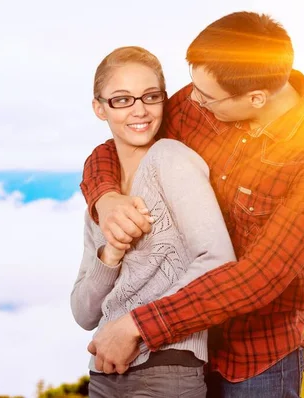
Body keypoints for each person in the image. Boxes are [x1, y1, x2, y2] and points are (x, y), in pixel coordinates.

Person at [80, 11, 304, 398]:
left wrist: (136, 326)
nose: (191, 99)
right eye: (193, 85)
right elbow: (121, 143)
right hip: (176, 353)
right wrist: (105, 197)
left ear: (255, 97)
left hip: (253, 360)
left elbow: (260, 276)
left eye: (206, 95)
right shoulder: (200, 102)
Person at [70, 46, 236, 398]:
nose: (140, 110)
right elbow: (84, 313)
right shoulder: (102, 202)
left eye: (150, 96)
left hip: (167, 370)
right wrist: (111, 253)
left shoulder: (171, 159)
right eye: (122, 100)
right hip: (103, 375)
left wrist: (137, 330)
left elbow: (218, 261)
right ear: (99, 108)